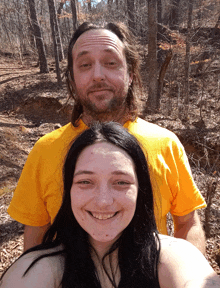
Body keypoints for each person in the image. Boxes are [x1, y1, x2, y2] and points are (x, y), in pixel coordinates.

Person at [8, 22, 207, 253]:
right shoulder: (45, 150)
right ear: (72, 79)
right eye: (84, 65)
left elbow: (188, 223)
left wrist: (190, 274)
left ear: (130, 74)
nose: (98, 75)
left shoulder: (166, 144)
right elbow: (36, 234)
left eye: (111, 63)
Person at [1, 123, 220, 288]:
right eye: (85, 182)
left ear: (140, 191)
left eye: (121, 182)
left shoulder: (174, 256)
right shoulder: (40, 268)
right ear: (69, 191)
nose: (103, 201)